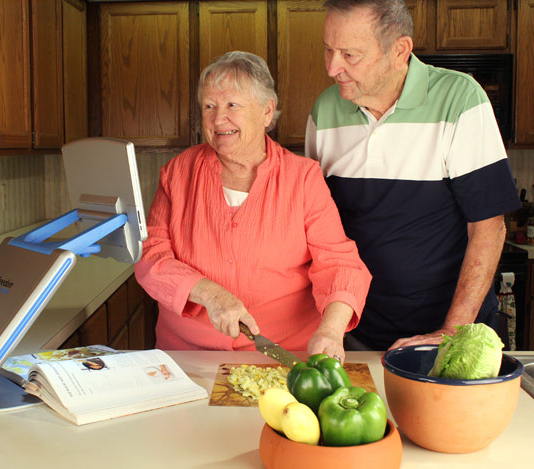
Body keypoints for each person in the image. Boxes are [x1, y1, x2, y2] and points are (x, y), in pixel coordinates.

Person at [305, 0, 521, 351]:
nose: (332, 68)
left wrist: (451, 334)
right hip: (356, 334)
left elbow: (489, 225)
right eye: (328, 50)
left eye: (350, 55)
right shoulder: (325, 109)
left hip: (449, 335)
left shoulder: (460, 99)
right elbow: (317, 227)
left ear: (400, 50)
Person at [135, 51, 372, 362]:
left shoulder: (302, 178)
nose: (218, 119)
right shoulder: (177, 173)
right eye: (209, 106)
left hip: (281, 357)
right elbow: (151, 256)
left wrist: (331, 330)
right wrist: (210, 294)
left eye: (232, 105)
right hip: (186, 357)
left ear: (266, 111)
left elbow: (339, 264)